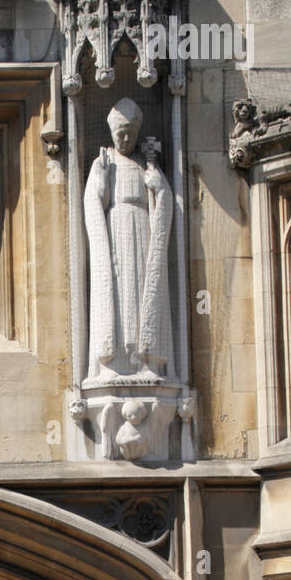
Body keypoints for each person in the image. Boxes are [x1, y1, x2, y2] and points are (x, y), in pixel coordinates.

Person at [83, 96, 174, 382]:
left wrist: (159, 188)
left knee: (144, 292)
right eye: (120, 134)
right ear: (112, 134)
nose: (124, 138)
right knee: (118, 297)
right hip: (115, 231)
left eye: (129, 134)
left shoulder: (144, 165)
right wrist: (99, 183)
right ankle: (116, 361)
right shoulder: (104, 162)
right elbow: (93, 200)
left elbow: (163, 200)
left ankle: (146, 359)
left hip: (143, 231)